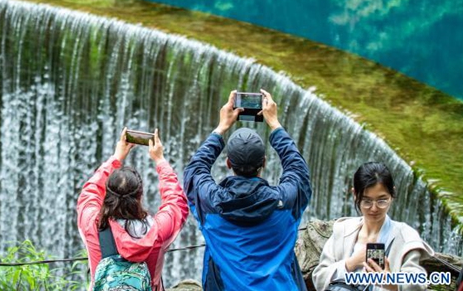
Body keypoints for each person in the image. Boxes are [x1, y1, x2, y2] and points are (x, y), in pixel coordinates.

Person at [183, 89, 312, 290]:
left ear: (228, 163)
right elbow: (298, 170)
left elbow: (194, 171)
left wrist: (221, 127)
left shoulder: (211, 203)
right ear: (264, 162)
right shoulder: (286, 201)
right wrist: (275, 125)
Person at [77, 128, 190, 291]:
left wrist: (116, 157)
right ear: (140, 195)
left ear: (107, 193)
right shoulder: (157, 231)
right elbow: (177, 202)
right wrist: (160, 160)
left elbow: (89, 192)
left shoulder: (91, 224)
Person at [312, 162, 434, 291]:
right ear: (355, 195)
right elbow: (319, 278)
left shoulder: (406, 237)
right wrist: (351, 263)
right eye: (366, 201)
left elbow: (418, 283)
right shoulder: (343, 230)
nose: (374, 208)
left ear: (392, 194)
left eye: (382, 200)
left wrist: (392, 283)